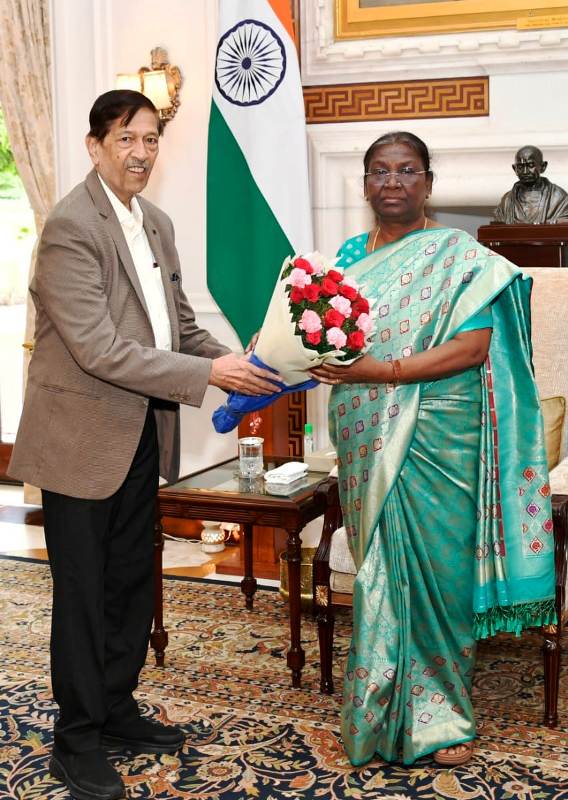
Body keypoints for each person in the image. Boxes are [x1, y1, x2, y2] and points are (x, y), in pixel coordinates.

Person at [8, 90, 280, 800]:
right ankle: (76, 740)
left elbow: (179, 329)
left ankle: (118, 709)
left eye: (152, 139)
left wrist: (239, 364)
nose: (141, 153)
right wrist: (208, 373)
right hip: (80, 438)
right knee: (82, 593)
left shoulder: (155, 222)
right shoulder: (71, 226)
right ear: (95, 145)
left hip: (140, 435)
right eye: (127, 138)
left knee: (131, 580)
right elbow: (99, 348)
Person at [310, 131, 555, 768]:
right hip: (369, 430)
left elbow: (472, 350)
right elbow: (333, 347)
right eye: (380, 171)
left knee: (441, 580)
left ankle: (442, 719)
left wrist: (384, 373)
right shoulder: (345, 257)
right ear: (364, 183)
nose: (393, 182)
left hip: (443, 432)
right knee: (380, 573)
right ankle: (375, 707)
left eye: (407, 170)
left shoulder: (459, 256)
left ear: (427, 182)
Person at [493, 144, 568, 223]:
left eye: (531, 165)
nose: (525, 172)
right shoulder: (507, 201)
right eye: (520, 166)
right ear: (514, 169)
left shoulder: (559, 198)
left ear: (543, 166)